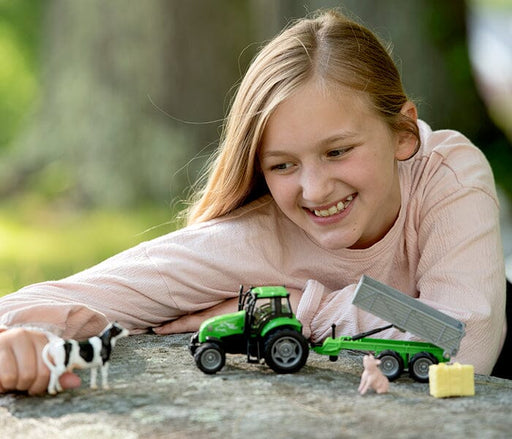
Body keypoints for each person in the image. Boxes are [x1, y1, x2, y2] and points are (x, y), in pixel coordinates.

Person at [0, 9, 505, 395]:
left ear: (400, 132)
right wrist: (17, 344)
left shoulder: (447, 173)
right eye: (283, 164)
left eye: (337, 151)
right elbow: (34, 307)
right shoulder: (252, 241)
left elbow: (462, 345)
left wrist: (291, 312)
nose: (315, 189)